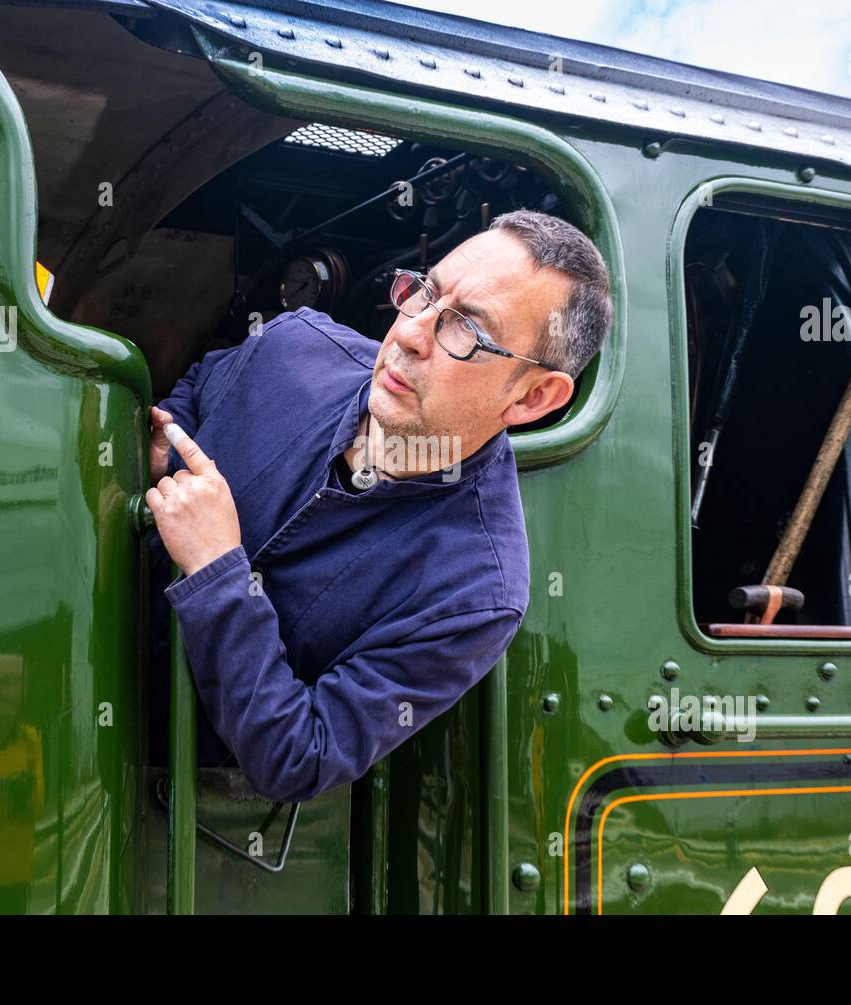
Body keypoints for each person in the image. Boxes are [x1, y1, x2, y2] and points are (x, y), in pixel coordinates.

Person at [147, 209, 611, 803]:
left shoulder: (473, 595)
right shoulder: (294, 343)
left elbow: (298, 757)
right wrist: (163, 452)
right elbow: (195, 388)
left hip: (142, 795)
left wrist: (217, 571)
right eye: (424, 292)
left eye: (467, 330)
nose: (412, 333)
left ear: (533, 396)